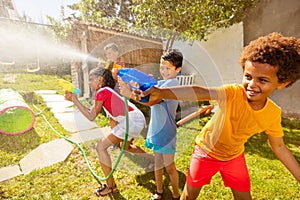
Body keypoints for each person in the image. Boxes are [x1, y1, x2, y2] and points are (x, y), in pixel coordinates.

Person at [136, 32, 300, 200]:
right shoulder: (233, 93)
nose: (252, 85)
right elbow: (201, 92)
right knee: (188, 196)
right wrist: (161, 92)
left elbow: (279, 147)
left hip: (234, 156)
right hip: (206, 151)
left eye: (262, 80)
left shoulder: (273, 113)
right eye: (248, 76)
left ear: (282, 83)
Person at [64, 67, 154, 196]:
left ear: (100, 80)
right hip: (135, 118)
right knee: (126, 147)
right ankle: (155, 159)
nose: (89, 83)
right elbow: (111, 118)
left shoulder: (102, 91)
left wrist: (75, 100)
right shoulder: (107, 92)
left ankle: (111, 186)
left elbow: (91, 116)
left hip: (131, 121)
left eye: (91, 80)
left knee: (100, 147)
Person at [119, 49, 183, 200]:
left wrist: (130, 94)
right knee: (158, 165)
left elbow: (152, 101)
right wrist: (138, 86)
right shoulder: (162, 82)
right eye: (162, 67)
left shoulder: (172, 85)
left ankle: (176, 195)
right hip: (156, 130)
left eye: (168, 68)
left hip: (166, 134)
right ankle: (159, 192)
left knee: (170, 167)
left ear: (178, 69)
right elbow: (147, 90)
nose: (164, 71)